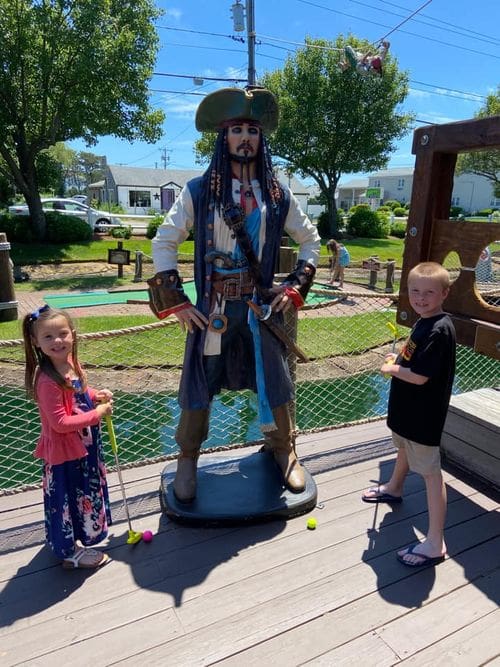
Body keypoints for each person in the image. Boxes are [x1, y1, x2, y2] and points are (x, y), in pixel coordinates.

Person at [148, 86, 320, 503]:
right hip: (214, 310)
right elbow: (164, 241)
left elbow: (311, 241)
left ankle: (284, 450)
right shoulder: (198, 190)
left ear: (261, 139)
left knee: (273, 378)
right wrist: (177, 302)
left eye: (253, 130)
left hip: (260, 308)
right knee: (199, 381)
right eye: (237, 129)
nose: (246, 137)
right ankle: (188, 458)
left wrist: (296, 287)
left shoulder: (277, 194)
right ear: (223, 138)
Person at [362, 262, 456, 568]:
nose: (421, 297)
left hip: (423, 416)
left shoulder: (440, 329)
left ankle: (435, 541)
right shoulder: (423, 321)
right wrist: (399, 357)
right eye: (415, 291)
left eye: (429, 293)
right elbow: (413, 358)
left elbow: (419, 377)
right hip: (407, 412)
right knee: (402, 446)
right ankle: (394, 487)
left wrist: (391, 368)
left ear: (444, 293)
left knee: (430, 473)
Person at [22, 305, 113, 569]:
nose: (57, 341)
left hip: (83, 446)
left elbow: (78, 391)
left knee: (82, 494)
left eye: (62, 333)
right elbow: (60, 423)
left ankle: (78, 537)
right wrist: (97, 414)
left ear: (72, 334)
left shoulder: (70, 364)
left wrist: (95, 395)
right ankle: (68, 552)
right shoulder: (47, 381)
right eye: (48, 337)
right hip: (66, 452)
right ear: (35, 342)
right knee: (67, 498)